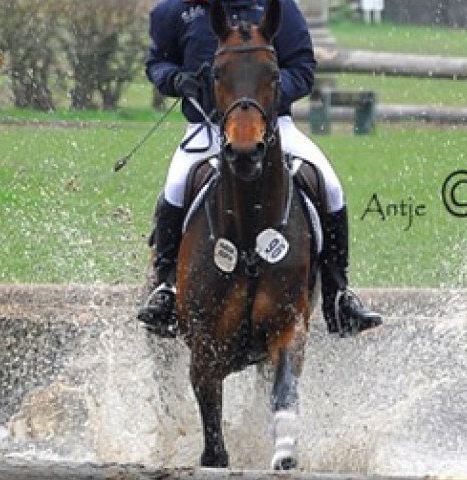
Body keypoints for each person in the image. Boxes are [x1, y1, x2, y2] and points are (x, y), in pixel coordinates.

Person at [138, 0, 382, 336]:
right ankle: (167, 289)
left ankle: (338, 295)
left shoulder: (278, 8)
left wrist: (266, 96)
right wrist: (176, 80)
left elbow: (303, 68)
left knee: (331, 186)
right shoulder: (178, 10)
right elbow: (157, 63)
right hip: (206, 128)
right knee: (176, 188)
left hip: (272, 126)